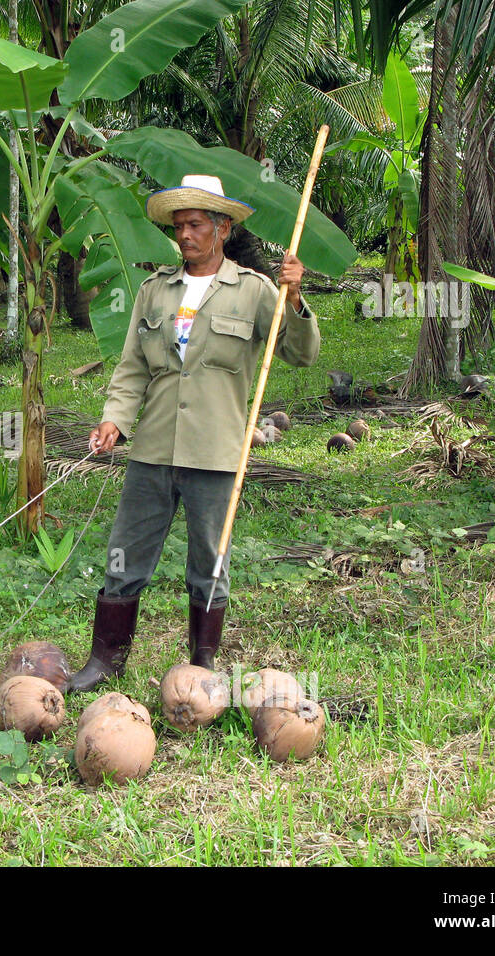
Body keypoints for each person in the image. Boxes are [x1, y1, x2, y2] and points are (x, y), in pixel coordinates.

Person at [69, 174, 320, 693]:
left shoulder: (253, 291)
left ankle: (202, 669)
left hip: (216, 452)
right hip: (154, 448)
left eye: (196, 224)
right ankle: (104, 663)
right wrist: (115, 417)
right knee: (123, 555)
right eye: (179, 226)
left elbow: (300, 353)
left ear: (222, 229)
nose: (185, 234)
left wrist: (294, 299)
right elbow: (133, 366)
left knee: (210, 563)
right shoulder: (154, 291)